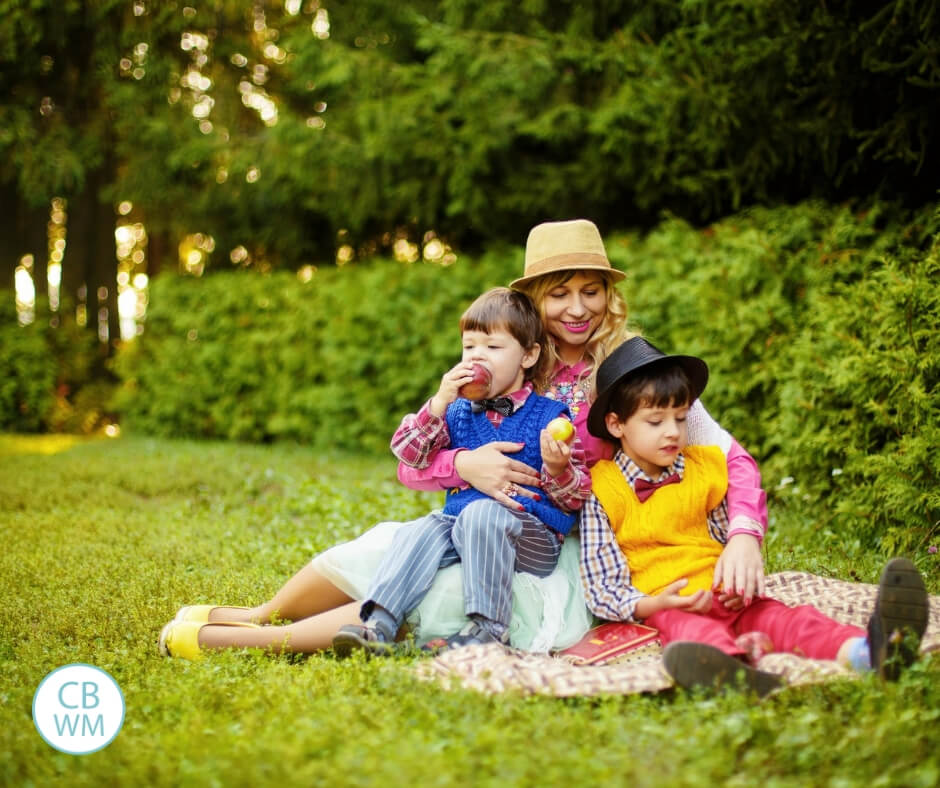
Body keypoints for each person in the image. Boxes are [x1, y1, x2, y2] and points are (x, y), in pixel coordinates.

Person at [159, 219, 766, 659]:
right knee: (389, 549)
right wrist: (465, 463)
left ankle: (259, 640)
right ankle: (257, 614)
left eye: (591, 290)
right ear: (531, 301)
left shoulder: (633, 369)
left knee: (442, 590)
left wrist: (743, 535)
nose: (577, 308)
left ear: (610, 295)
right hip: (476, 513)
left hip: (573, 544)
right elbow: (414, 464)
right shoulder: (499, 361)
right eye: (558, 292)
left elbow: (727, 457)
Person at [579, 336, 930, 695]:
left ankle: (872, 653)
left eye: (681, 418)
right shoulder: (602, 490)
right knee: (694, 635)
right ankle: (733, 674)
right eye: (656, 421)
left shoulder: (705, 468)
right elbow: (604, 586)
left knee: (793, 620)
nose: (673, 431)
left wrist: (738, 585)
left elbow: (724, 539)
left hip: (727, 596)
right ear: (616, 425)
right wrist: (656, 603)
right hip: (672, 604)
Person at [331, 287, 591, 655]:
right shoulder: (454, 412)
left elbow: (576, 497)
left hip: (531, 537)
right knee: (422, 527)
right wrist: (438, 403)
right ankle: (378, 625)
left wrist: (558, 467)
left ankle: (488, 629)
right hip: (462, 526)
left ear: (528, 355)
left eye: (493, 347)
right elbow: (409, 455)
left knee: (482, 514)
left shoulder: (551, 417)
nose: (477, 357)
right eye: (469, 347)